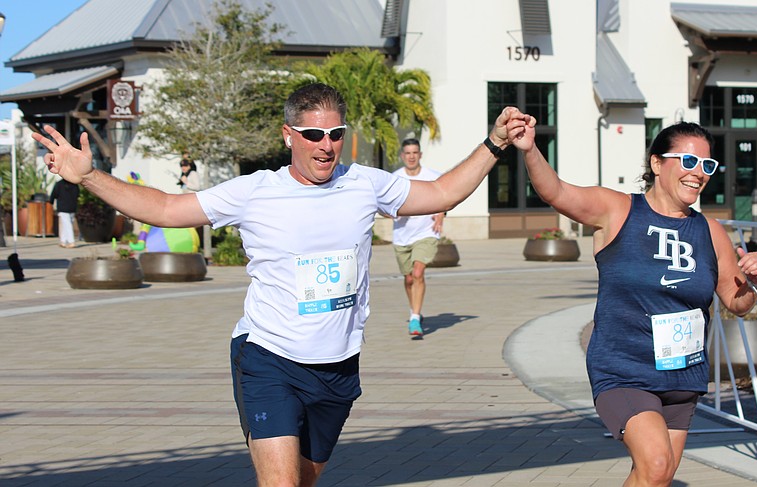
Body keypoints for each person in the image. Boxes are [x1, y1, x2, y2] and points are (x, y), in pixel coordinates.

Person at [33, 82, 530, 487]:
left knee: (305, 479)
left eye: (335, 134)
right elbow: (166, 209)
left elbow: (444, 190)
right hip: (268, 356)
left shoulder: (365, 183)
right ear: (288, 135)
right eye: (313, 135)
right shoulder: (256, 192)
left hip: (336, 366)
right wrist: (90, 176)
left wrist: (495, 144)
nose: (326, 145)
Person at [516, 119, 757, 486]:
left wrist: (755, 283)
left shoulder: (711, 232)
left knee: (656, 476)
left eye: (707, 165)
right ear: (656, 164)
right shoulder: (617, 210)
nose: (698, 173)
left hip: (684, 374)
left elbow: (737, 301)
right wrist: (530, 150)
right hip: (625, 370)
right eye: (687, 161)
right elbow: (555, 192)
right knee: (655, 464)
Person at [391, 138, 444, 336]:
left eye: (415, 152)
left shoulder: (432, 176)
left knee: (418, 273)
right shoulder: (394, 178)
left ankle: (415, 318)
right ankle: (414, 308)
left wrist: (440, 216)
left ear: (420, 155)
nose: (411, 156)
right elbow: (385, 207)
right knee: (408, 279)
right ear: (402, 156)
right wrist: (394, 212)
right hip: (402, 236)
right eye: (408, 153)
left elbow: (445, 197)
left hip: (426, 233)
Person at [49, 178, 79, 248]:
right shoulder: (74, 184)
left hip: (63, 206)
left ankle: (71, 241)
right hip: (72, 206)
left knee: (66, 224)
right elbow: (77, 194)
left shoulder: (59, 184)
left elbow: (54, 194)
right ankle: (63, 241)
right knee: (68, 223)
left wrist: (51, 201)